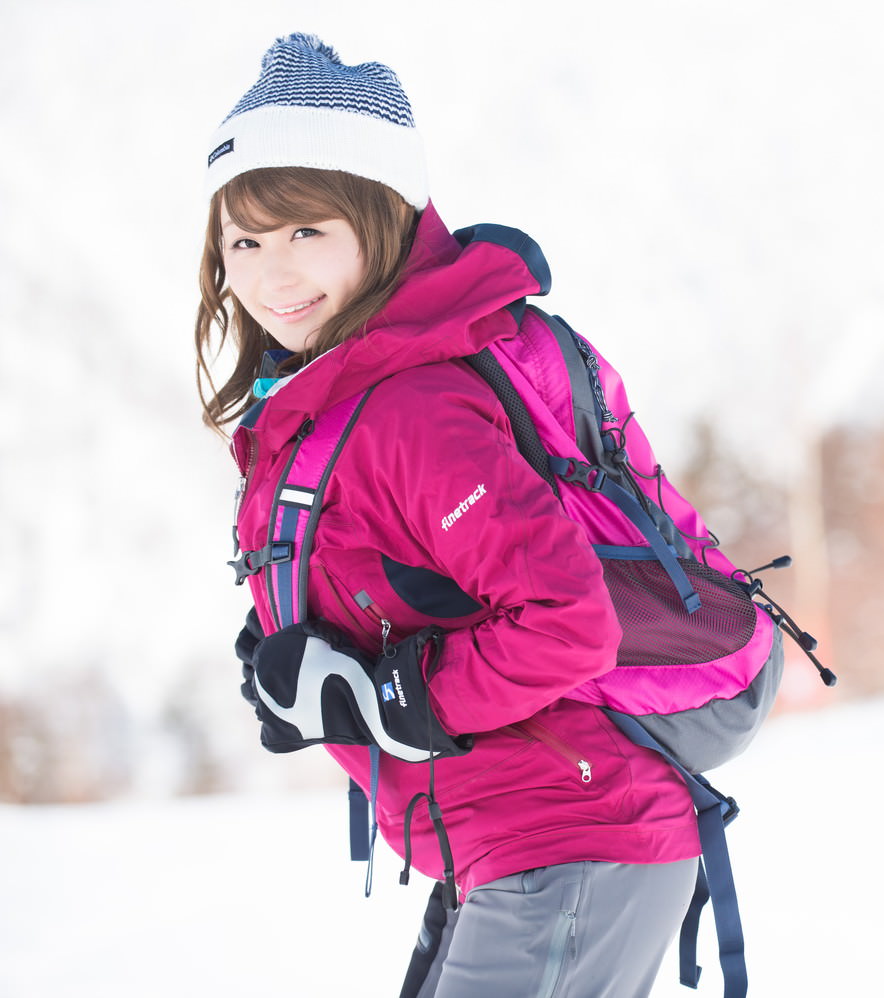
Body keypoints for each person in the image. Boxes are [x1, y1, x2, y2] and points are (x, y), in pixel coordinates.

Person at [195, 34, 704, 998]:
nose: (270, 274)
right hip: (520, 845)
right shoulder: (332, 397)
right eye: (245, 241)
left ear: (382, 219)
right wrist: (301, 669)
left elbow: (569, 624)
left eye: (308, 231)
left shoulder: (409, 407)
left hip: (570, 844)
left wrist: (393, 698)